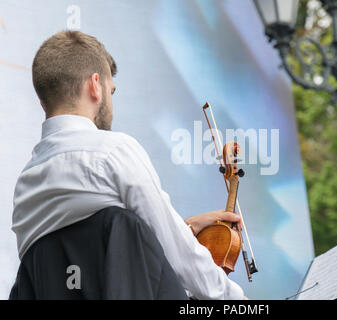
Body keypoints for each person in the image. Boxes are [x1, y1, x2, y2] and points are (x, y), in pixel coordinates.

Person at [11, 30, 246, 300]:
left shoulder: (24, 190)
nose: (111, 100)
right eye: (112, 91)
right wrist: (235, 299)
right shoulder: (113, 152)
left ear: (43, 101)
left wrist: (188, 226)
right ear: (95, 86)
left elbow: (78, 263)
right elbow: (179, 255)